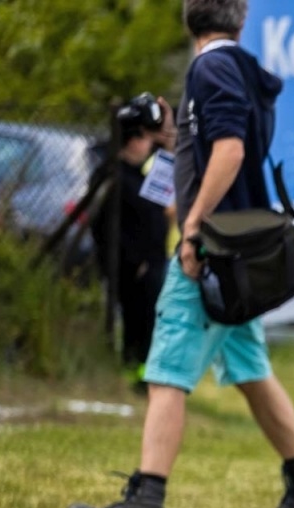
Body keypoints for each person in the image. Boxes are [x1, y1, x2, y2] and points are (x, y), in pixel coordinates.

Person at [67, 0, 294, 508]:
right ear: (242, 16)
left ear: (188, 14)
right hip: (239, 250)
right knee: (251, 370)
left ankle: (146, 499)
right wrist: (177, 135)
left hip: (213, 252)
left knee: (166, 368)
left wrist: (193, 228)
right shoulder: (243, 69)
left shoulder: (211, 67)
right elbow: (221, 146)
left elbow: (230, 152)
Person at [92, 95, 175, 379]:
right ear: (131, 139)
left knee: (153, 321)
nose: (149, 144)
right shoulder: (114, 177)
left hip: (154, 262)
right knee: (136, 321)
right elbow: (103, 226)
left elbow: (164, 186)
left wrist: (167, 132)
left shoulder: (140, 175)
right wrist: (133, 261)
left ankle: (146, 374)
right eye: (144, 137)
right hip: (133, 267)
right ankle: (134, 373)